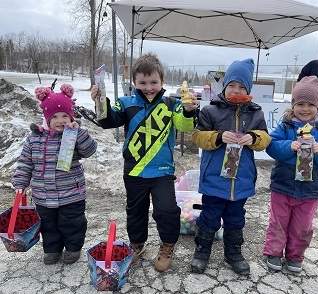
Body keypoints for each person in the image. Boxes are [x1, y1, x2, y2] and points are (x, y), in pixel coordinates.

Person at [90, 52, 198, 272]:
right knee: (135, 211)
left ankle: (167, 246)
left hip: (162, 172)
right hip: (134, 171)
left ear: (162, 81)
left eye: (154, 82)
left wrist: (188, 110)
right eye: (143, 82)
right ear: (134, 82)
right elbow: (107, 121)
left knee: (167, 211)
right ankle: (137, 244)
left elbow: (185, 126)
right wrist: (100, 100)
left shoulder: (172, 104)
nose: (148, 87)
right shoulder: (125, 103)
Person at [191, 58, 271, 275]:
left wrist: (253, 138)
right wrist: (218, 137)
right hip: (215, 179)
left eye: (242, 86)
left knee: (236, 217)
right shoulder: (210, 111)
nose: (236, 91)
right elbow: (197, 136)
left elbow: (265, 138)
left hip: (241, 180)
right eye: (232, 86)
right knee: (210, 214)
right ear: (224, 87)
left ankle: (233, 252)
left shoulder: (256, 113)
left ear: (249, 89)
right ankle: (202, 250)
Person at [263, 76, 318, 273]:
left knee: (302, 227)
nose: (305, 109)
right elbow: (270, 146)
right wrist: (288, 146)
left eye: (310, 104)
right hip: (282, 186)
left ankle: (295, 256)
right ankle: (273, 252)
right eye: (300, 104)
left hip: (309, 191)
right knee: (278, 222)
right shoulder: (285, 126)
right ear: (293, 104)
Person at [12, 84, 97, 265]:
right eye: (55, 116)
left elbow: (89, 150)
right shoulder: (34, 138)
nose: (60, 120)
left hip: (71, 194)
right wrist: (20, 183)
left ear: (71, 116)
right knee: (48, 225)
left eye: (65, 116)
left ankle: (73, 248)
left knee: (72, 223)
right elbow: (25, 162)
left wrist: (78, 132)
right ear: (46, 117)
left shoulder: (73, 135)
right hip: (43, 195)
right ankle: (52, 250)